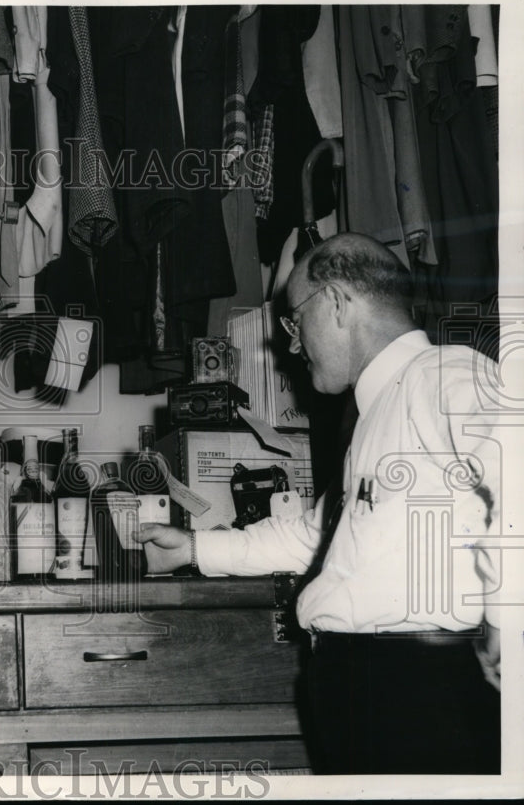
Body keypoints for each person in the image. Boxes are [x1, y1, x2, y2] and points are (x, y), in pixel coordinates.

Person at [136, 232, 501, 774]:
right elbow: (312, 533)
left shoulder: (448, 375)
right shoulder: (379, 409)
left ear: (335, 303)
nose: (291, 344)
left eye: (294, 320)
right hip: (374, 688)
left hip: (419, 691)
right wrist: (191, 547)